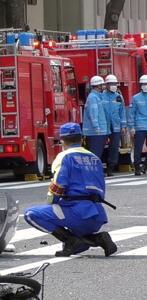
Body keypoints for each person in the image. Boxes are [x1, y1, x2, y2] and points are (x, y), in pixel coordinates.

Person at [24, 123, 117, 257]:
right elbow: (101, 189)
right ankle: (98, 238)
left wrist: (52, 206)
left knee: (30, 214)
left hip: (77, 213)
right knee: (78, 248)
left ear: (62, 141)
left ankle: (71, 240)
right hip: (97, 215)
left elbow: (57, 187)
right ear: (81, 139)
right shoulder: (94, 158)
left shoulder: (64, 157)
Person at [101, 74, 127, 176]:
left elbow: (122, 112)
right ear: (106, 85)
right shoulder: (101, 96)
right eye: (111, 84)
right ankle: (100, 166)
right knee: (101, 146)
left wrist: (123, 126)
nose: (113, 85)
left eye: (115, 83)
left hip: (115, 126)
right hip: (104, 126)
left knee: (114, 147)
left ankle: (111, 167)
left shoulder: (119, 97)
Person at [83, 75, 108, 161]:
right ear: (98, 86)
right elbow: (94, 113)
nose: (103, 86)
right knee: (95, 154)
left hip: (99, 131)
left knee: (97, 153)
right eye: (102, 85)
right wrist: (96, 127)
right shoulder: (93, 97)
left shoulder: (96, 96)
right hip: (96, 132)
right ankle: (94, 171)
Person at [129, 75, 147, 175]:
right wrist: (131, 126)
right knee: (138, 148)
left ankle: (145, 166)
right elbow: (131, 113)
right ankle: (137, 167)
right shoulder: (136, 98)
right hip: (140, 127)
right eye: (143, 84)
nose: (145, 86)